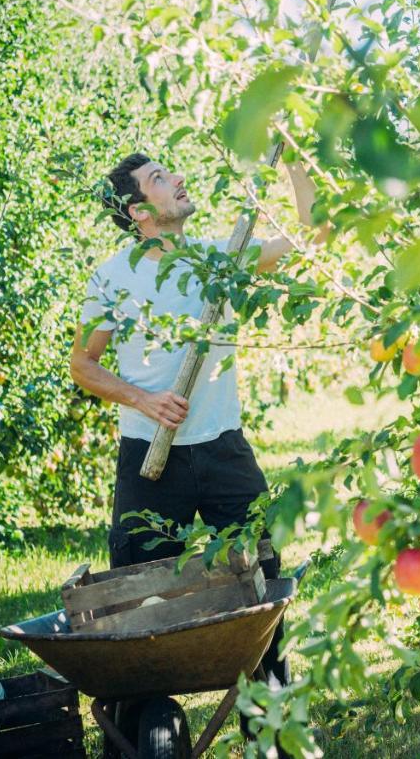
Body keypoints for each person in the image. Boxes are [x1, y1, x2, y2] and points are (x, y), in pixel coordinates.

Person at [69, 150, 324, 722]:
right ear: (138, 211)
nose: (179, 179)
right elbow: (82, 364)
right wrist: (144, 399)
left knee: (263, 589)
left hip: (223, 450)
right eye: (161, 179)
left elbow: (314, 238)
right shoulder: (112, 276)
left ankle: (273, 730)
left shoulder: (219, 259)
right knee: (139, 606)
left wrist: (293, 158)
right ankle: (147, 726)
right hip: (148, 459)